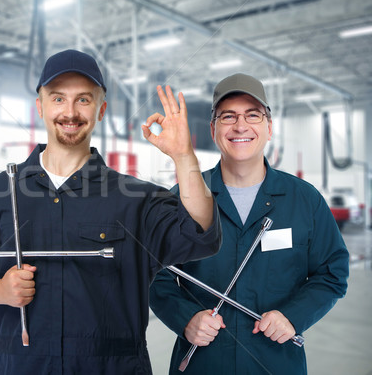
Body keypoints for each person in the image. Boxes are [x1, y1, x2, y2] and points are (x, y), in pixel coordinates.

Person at [0, 49, 222, 374]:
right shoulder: (3, 191)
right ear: (40, 107)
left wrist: (185, 157)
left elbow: (200, 233)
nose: (70, 112)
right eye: (58, 98)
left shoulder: (136, 199)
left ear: (101, 109)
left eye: (83, 100)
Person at [149, 73, 350, 374]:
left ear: (269, 128)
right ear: (214, 129)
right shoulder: (181, 199)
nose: (240, 126)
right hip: (203, 362)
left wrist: (293, 317)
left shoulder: (304, 200)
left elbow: (332, 272)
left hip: (275, 361)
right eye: (228, 116)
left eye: (252, 115)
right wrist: (186, 318)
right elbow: (153, 273)